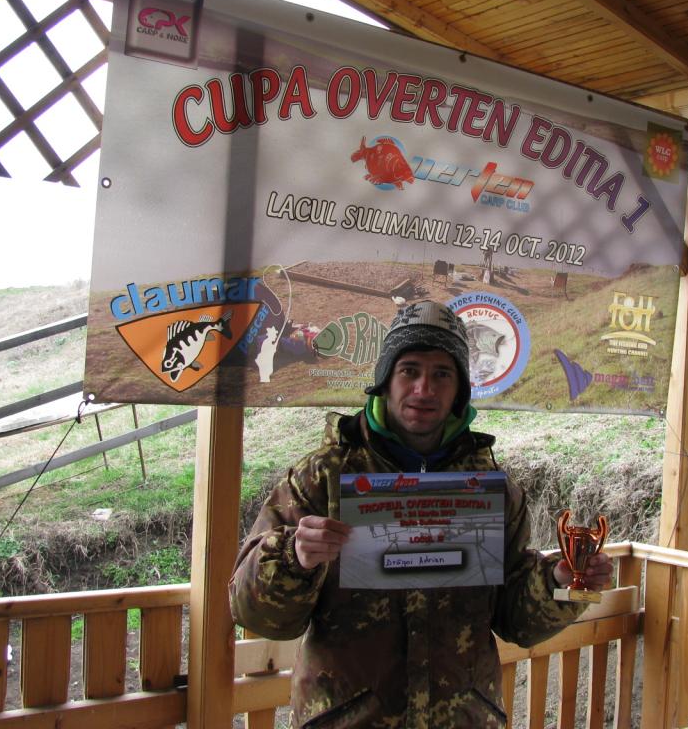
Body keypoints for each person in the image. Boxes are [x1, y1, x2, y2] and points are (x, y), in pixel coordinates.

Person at [230, 300, 612, 729]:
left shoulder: (492, 488)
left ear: (460, 389)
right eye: (409, 370)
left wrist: (559, 582)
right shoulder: (324, 476)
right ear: (385, 380)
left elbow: (514, 621)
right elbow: (254, 614)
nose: (424, 389)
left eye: (442, 374)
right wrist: (294, 559)